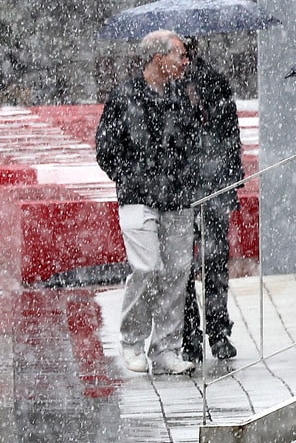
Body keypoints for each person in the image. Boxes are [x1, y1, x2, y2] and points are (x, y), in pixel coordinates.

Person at [95, 30, 198, 375]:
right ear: (158, 58)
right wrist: (132, 176)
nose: (185, 63)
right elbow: (106, 149)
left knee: (177, 272)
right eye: (179, 56)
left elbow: (190, 142)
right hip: (139, 197)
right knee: (147, 267)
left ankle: (167, 346)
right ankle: (132, 340)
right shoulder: (125, 97)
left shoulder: (181, 97)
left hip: (177, 197)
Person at [179, 38, 242, 363]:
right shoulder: (169, 87)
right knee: (183, 266)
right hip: (181, 190)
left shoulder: (214, 82)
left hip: (213, 186)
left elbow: (229, 133)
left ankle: (218, 331)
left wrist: (231, 183)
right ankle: (189, 335)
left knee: (215, 262)